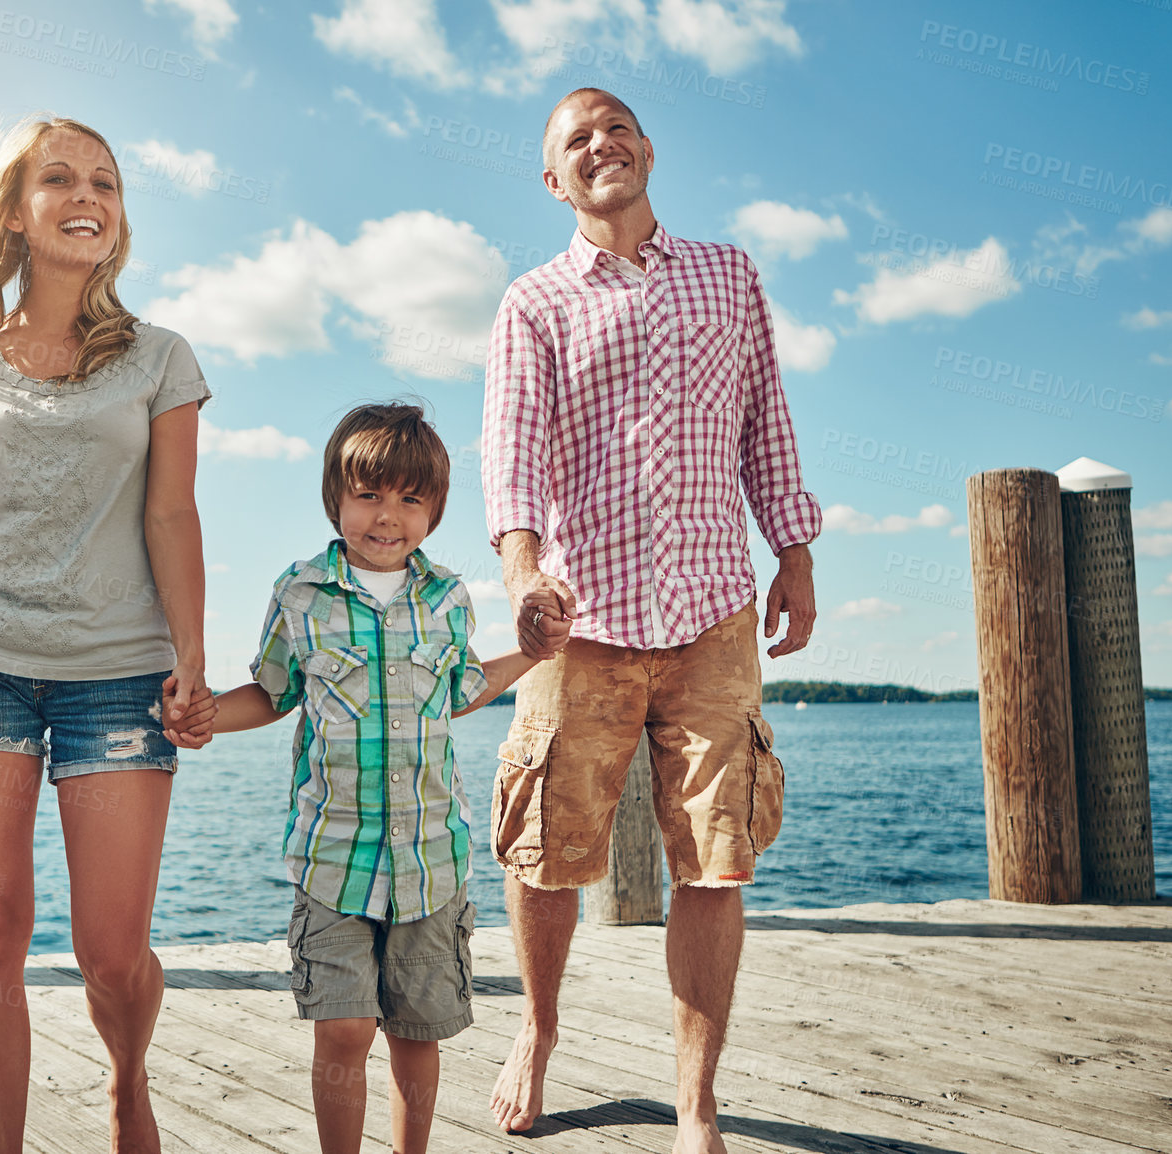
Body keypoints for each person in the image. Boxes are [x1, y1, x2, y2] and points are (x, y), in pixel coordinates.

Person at [0, 115, 212, 1154]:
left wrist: (190, 658)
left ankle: (126, 1078)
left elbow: (170, 515)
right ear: (17, 209)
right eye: (58, 178)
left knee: (111, 951)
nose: (85, 195)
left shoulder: (161, 356)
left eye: (104, 179)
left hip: (117, 673)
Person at [480, 88, 822, 1154]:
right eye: (575, 140)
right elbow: (511, 456)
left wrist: (794, 551)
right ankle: (536, 1031)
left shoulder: (728, 273)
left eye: (614, 127)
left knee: (715, 857)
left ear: (648, 149)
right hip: (577, 622)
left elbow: (767, 416)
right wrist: (525, 577)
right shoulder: (531, 301)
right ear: (554, 180)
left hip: (715, 608)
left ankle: (695, 1099)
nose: (600, 145)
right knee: (543, 847)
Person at [164, 403, 564, 1154]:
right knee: (343, 1027)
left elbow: (462, 688)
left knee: (418, 1033)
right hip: (333, 860)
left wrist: (534, 656)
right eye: (370, 495)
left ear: (435, 510)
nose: (389, 516)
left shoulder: (448, 600)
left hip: (432, 863)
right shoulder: (300, 592)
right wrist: (207, 715)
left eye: (411, 499)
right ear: (336, 499)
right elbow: (274, 692)